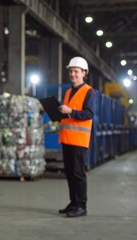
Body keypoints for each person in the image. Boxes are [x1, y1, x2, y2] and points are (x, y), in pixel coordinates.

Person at [58, 56, 96, 218]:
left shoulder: (89, 91)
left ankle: (81, 205)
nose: (73, 74)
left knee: (78, 173)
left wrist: (70, 112)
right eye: (71, 71)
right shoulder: (68, 92)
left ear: (84, 73)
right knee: (69, 172)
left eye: (76, 71)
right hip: (67, 138)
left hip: (79, 140)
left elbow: (89, 114)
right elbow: (67, 113)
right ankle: (73, 202)